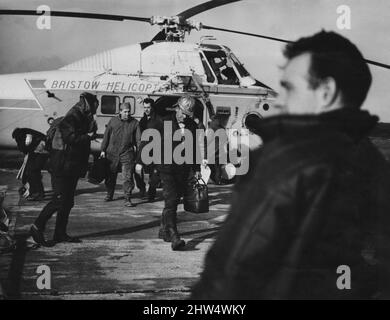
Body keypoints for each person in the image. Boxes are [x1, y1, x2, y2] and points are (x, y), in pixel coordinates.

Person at [191, 31, 390, 299]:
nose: (280, 101)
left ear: (326, 92)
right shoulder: (374, 165)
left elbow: (230, 273)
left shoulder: (285, 164)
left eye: (290, 88)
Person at [30, 92, 99, 246]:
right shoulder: (72, 116)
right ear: (89, 104)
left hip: (71, 167)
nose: (96, 110)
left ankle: (60, 233)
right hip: (61, 165)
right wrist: (88, 136)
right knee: (59, 200)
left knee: (67, 202)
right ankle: (37, 226)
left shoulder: (82, 117)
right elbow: (71, 138)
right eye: (96, 106)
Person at [149, 95, 201, 251]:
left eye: (187, 114)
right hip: (166, 168)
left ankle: (163, 230)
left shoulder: (192, 125)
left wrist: (197, 168)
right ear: (177, 108)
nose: (184, 117)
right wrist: (143, 163)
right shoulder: (163, 122)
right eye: (183, 113)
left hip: (183, 170)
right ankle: (174, 236)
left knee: (173, 201)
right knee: (171, 200)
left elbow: (193, 148)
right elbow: (149, 143)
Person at [100, 102, 141, 207]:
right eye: (125, 112)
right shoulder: (113, 121)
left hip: (127, 153)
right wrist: (103, 150)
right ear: (120, 111)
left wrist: (139, 155)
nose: (127, 114)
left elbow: (138, 141)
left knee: (127, 177)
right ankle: (109, 194)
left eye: (128, 112)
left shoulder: (135, 123)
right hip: (112, 153)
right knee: (110, 176)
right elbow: (106, 136)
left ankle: (127, 197)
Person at [12, 127, 48, 200]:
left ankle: (38, 193)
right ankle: (35, 191)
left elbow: (24, 149)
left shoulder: (25, 137)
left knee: (33, 172)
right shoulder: (26, 133)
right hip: (38, 151)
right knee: (31, 171)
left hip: (40, 152)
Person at [137, 98, 160, 202]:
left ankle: (151, 194)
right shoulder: (143, 120)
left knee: (154, 175)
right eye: (144, 107)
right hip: (143, 150)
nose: (146, 110)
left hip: (155, 151)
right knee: (137, 170)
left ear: (152, 107)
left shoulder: (159, 120)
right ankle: (141, 189)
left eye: (148, 107)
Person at [206, 114, 229, 185]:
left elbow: (208, 140)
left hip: (215, 151)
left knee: (215, 166)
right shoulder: (216, 128)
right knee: (217, 167)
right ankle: (217, 180)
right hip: (216, 151)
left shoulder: (212, 128)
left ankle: (216, 180)